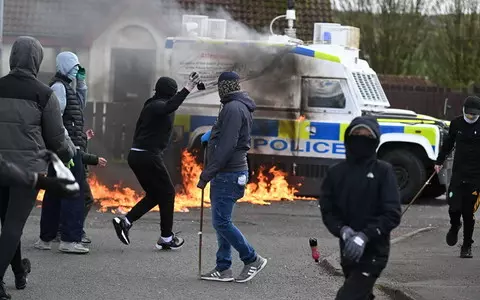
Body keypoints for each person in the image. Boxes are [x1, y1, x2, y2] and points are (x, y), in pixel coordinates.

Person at [0, 36, 76, 300]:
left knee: (8, 224)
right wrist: (70, 151)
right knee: (13, 225)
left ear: (13, 57)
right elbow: (56, 140)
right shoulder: (45, 94)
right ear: (37, 60)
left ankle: (19, 272)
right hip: (26, 170)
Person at [112, 72, 202, 249]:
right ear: (171, 92)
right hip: (147, 156)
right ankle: (166, 238)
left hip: (140, 155)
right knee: (168, 193)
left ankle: (126, 222)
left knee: (156, 195)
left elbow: (163, 115)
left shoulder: (152, 104)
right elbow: (169, 106)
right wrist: (188, 88)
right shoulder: (157, 106)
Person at [319, 116, 401, 300]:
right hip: (348, 251)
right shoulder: (336, 172)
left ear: (376, 141)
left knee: (347, 297)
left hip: (374, 252)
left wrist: (365, 236)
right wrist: (343, 231)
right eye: (356, 134)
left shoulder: (384, 171)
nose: (361, 139)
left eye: (366, 135)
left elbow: (392, 214)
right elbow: (328, 209)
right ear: (348, 138)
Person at [197, 71, 267, 283]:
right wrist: (212, 135)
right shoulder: (233, 106)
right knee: (222, 221)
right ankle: (223, 267)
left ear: (225, 87)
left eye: (220, 86)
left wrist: (207, 173)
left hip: (228, 173)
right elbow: (226, 136)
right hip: (229, 172)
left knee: (221, 223)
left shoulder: (233, 108)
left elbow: (227, 146)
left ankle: (252, 259)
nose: (218, 90)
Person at [36, 51, 90, 254]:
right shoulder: (59, 87)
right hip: (67, 148)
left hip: (62, 147)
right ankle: (69, 239)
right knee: (72, 192)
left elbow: (78, 109)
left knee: (54, 192)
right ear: (65, 66)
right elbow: (57, 118)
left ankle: (46, 238)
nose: (78, 69)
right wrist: (66, 144)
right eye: (74, 65)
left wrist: (82, 85)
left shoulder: (66, 86)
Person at [435, 96, 480, 258]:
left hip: (476, 177)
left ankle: (466, 246)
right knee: (454, 207)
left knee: (469, 213)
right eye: (468, 114)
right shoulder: (456, 124)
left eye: (474, 115)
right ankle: (455, 225)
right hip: (458, 173)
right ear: (463, 111)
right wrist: (439, 161)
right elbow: (448, 143)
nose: (471, 117)